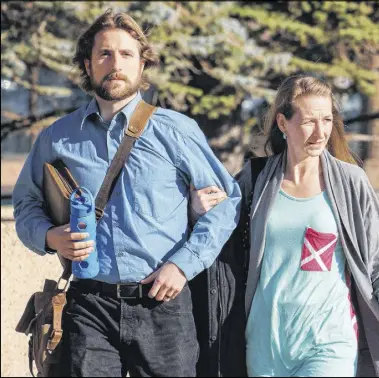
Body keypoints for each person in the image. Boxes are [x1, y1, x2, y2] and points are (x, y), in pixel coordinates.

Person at [12, 10, 240, 377]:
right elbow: (25, 204)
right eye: (104, 54)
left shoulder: (175, 131)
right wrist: (50, 236)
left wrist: (184, 265)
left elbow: (227, 203)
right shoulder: (58, 137)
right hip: (89, 306)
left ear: (142, 63)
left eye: (126, 54)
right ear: (88, 64)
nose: (114, 64)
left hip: (163, 304)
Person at [190, 75, 379, 377]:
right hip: (264, 344)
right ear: (283, 123)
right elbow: (217, 238)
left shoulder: (351, 183)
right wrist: (196, 211)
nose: (321, 131)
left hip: (329, 343)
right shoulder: (256, 179)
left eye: (327, 119)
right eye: (309, 121)